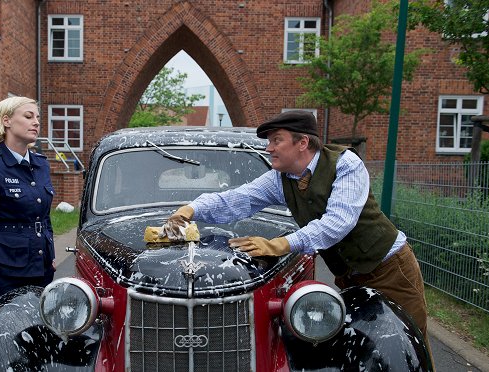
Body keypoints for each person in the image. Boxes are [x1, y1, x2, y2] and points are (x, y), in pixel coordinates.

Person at [163, 110, 428, 337]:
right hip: (349, 276)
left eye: (277, 140)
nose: (269, 148)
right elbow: (238, 199)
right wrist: (190, 209)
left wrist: (280, 244)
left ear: (302, 142)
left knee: (407, 342)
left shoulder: (346, 164)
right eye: (269, 141)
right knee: (362, 344)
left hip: (390, 269)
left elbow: (338, 222)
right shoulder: (282, 177)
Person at [0, 96, 56, 315]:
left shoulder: (41, 164)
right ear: (6, 121)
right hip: (4, 274)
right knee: (1, 339)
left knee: (38, 335)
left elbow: (43, 216)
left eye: (37, 117)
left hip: (40, 270)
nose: (36, 122)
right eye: (28, 116)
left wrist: (50, 255)